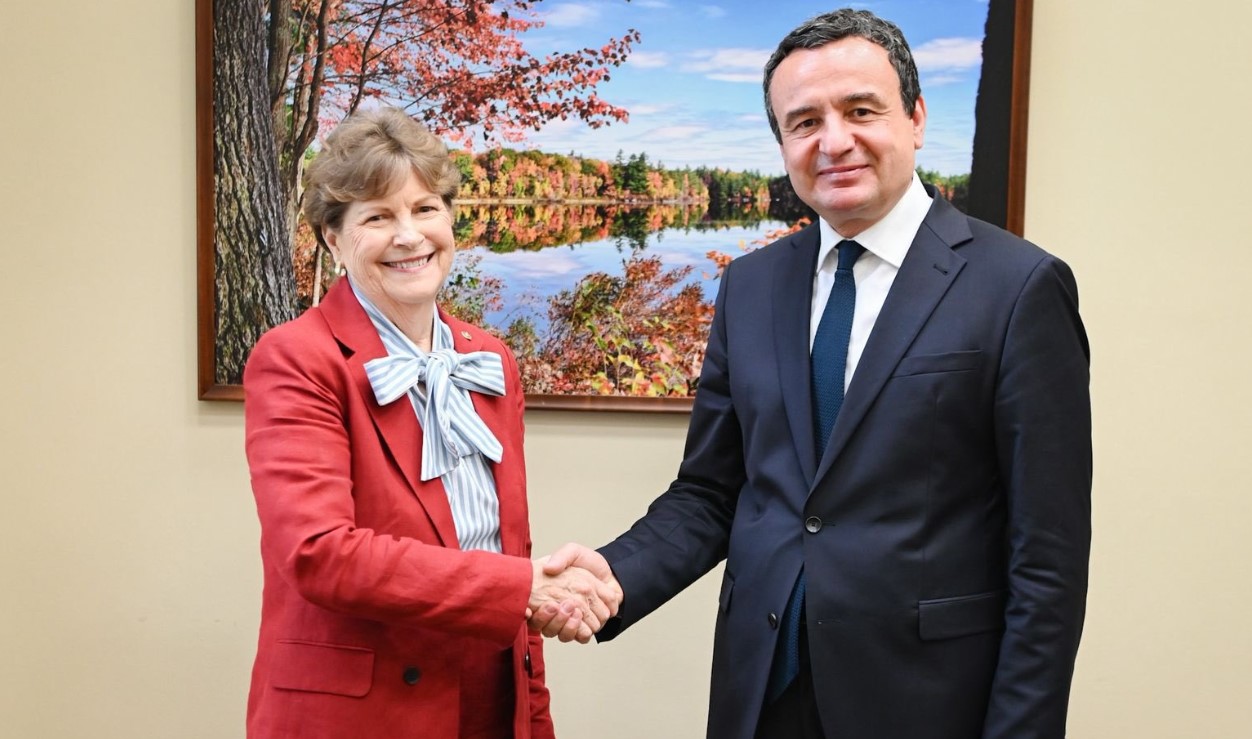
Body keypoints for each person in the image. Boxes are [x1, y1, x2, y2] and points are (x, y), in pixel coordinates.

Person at [539, 8, 1091, 739]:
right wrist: (616, 574)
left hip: (926, 701)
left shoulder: (1019, 288)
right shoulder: (751, 285)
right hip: (762, 691)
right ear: (782, 144)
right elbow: (712, 491)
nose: (833, 141)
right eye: (804, 122)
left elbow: (1047, 561)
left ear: (916, 118)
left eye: (861, 110)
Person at [242, 106, 621, 739]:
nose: (409, 236)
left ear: (449, 219)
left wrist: (534, 714)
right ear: (334, 239)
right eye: (377, 217)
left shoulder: (489, 359)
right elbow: (319, 553)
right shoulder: (296, 357)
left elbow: (508, 549)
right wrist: (522, 588)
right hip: (364, 715)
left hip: (492, 692)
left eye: (424, 209)